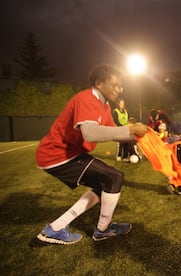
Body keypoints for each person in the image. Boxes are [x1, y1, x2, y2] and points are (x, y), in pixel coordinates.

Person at [35, 64, 148, 245]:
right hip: (57, 155)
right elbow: (91, 133)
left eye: (121, 86)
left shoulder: (104, 106)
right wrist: (130, 129)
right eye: (115, 85)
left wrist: (144, 138)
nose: (119, 89)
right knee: (114, 177)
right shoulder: (86, 99)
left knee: (105, 183)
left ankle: (55, 228)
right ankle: (103, 230)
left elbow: (114, 132)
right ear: (99, 83)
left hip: (67, 154)